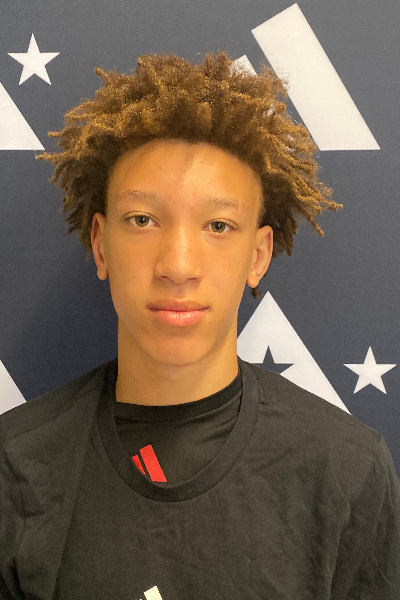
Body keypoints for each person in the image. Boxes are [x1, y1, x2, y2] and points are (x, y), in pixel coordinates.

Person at [0, 51, 399, 600]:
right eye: (143, 220)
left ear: (258, 255)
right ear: (100, 244)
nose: (178, 266)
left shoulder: (347, 471)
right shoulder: (15, 466)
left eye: (218, 225)